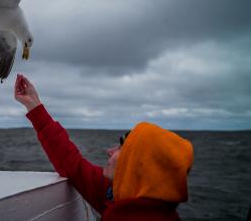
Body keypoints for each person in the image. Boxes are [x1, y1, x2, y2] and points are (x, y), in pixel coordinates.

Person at [14, 74, 194, 220]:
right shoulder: (119, 195)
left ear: (138, 165)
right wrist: (34, 105)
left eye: (121, 147)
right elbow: (72, 163)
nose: (110, 151)